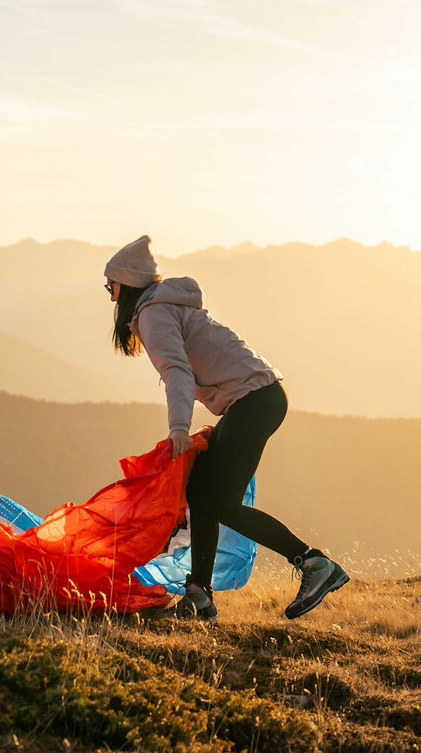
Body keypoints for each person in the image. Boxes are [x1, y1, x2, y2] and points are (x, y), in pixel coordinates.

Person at [104, 234, 348, 621]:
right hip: (259, 398)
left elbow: (177, 371)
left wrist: (179, 429)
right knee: (202, 491)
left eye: (110, 286)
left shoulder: (152, 313)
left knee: (219, 501)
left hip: (254, 401)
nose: (111, 296)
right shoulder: (163, 307)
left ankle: (315, 564)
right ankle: (199, 596)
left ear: (126, 284)